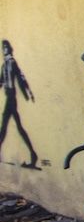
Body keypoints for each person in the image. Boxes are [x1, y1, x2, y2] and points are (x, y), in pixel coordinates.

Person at [0, 40, 39, 168]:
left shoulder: (11, 63)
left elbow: (20, 77)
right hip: (9, 97)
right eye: (3, 47)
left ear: (9, 49)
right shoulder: (4, 65)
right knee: (14, 127)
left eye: (6, 47)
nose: (4, 49)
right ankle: (33, 154)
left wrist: (28, 92)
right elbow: (1, 82)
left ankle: (33, 155)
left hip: (12, 98)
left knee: (7, 126)